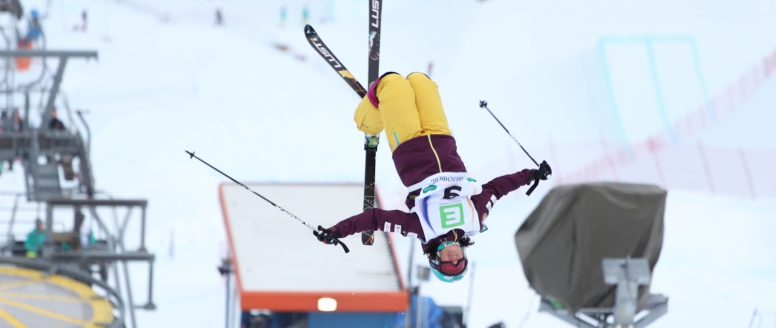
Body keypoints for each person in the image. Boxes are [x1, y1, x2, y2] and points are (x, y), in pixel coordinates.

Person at [314, 72, 552, 282]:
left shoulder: (422, 229)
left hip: (408, 147)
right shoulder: (474, 221)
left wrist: (338, 231)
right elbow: (497, 189)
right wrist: (531, 175)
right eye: (460, 263)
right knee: (421, 81)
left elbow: (376, 219)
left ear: (436, 260)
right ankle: (381, 106)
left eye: (449, 266)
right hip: (442, 139)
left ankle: (367, 123)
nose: (455, 260)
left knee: (392, 83)